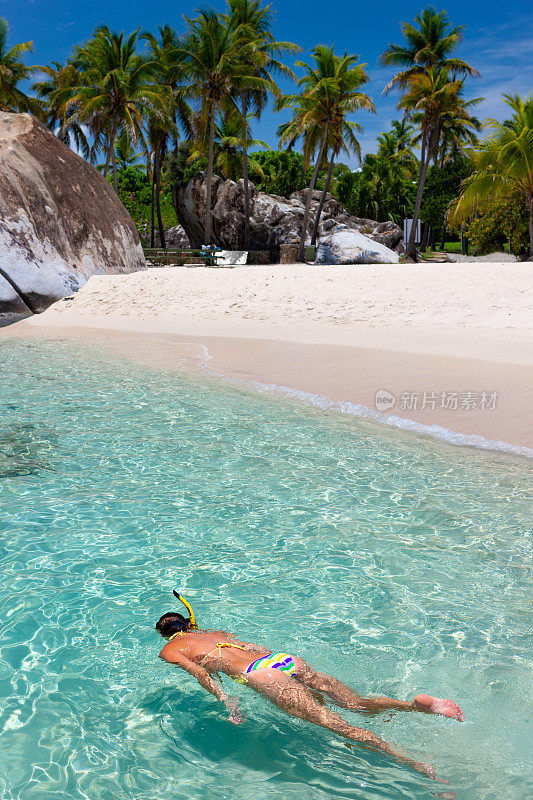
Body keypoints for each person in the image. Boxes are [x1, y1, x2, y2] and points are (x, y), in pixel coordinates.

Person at [155, 597, 463, 780]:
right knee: (354, 704)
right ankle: (410, 705)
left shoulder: (170, 650)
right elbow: (253, 645)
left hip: (258, 674)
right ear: (187, 624)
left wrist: (227, 701)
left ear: (164, 635)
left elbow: (201, 675)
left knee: (334, 723)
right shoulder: (215, 632)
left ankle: (419, 766)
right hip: (282, 660)